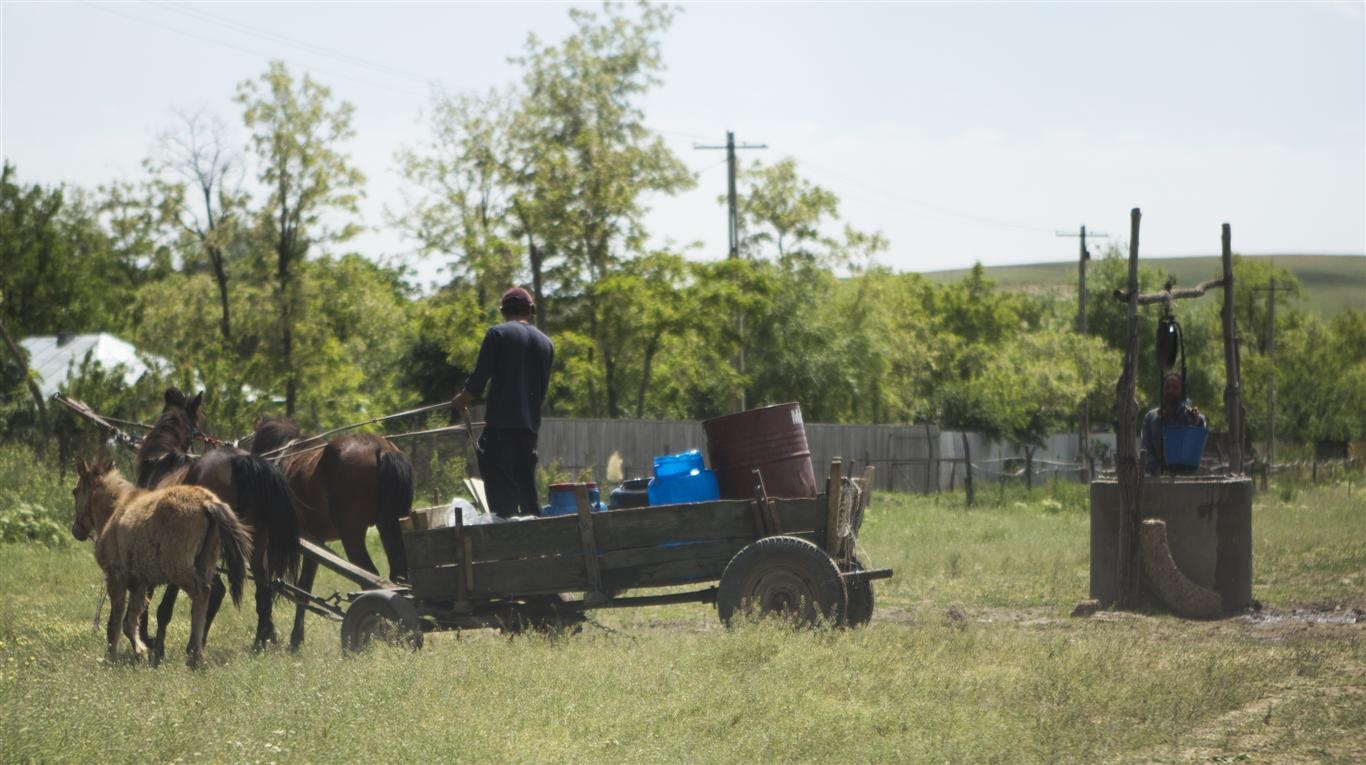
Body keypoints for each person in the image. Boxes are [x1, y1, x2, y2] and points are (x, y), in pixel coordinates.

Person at [451, 287, 554, 517]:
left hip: (500, 431)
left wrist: (462, 400)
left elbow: (477, 383)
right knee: (528, 495)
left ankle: (507, 547)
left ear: (502, 311)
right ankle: (537, 545)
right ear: (531, 310)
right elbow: (541, 391)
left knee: (502, 501)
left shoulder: (497, 334)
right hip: (529, 434)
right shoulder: (546, 344)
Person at [1142, 372, 1207, 475]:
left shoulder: (1192, 417)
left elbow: (1196, 447)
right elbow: (1146, 449)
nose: (1170, 391)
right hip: (1158, 478)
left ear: (1182, 391)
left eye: (1175, 388)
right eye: (1167, 387)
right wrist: (1156, 469)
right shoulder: (1151, 418)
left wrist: (1196, 423)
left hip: (1186, 477)